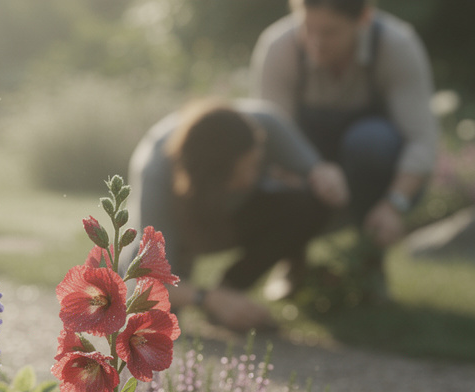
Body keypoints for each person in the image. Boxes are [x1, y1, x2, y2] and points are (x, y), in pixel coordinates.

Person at [251, 0, 439, 300]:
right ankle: (292, 260)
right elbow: (274, 138)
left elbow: (422, 141)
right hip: (305, 163)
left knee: (372, 141)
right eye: (308, 29)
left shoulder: (397, 45)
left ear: (363, 18)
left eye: (330, 32)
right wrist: (303, 175)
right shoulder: (279, 47)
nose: (316, 43)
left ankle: (369, 263)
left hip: (374, 165)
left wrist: (395, 204)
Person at [123, 98, 348, 332]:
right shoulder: (156, 173)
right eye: (240, 173)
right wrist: (208, 298)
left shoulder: (265, 124)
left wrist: (328, 179)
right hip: (182, 231)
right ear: (212, 176)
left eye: (255, 165)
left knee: (309, 204)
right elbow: (146, 282)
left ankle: (232, 288)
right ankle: (220, 299)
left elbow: (320, 173)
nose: (252, 179)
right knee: (153, 316)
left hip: (238, 216)